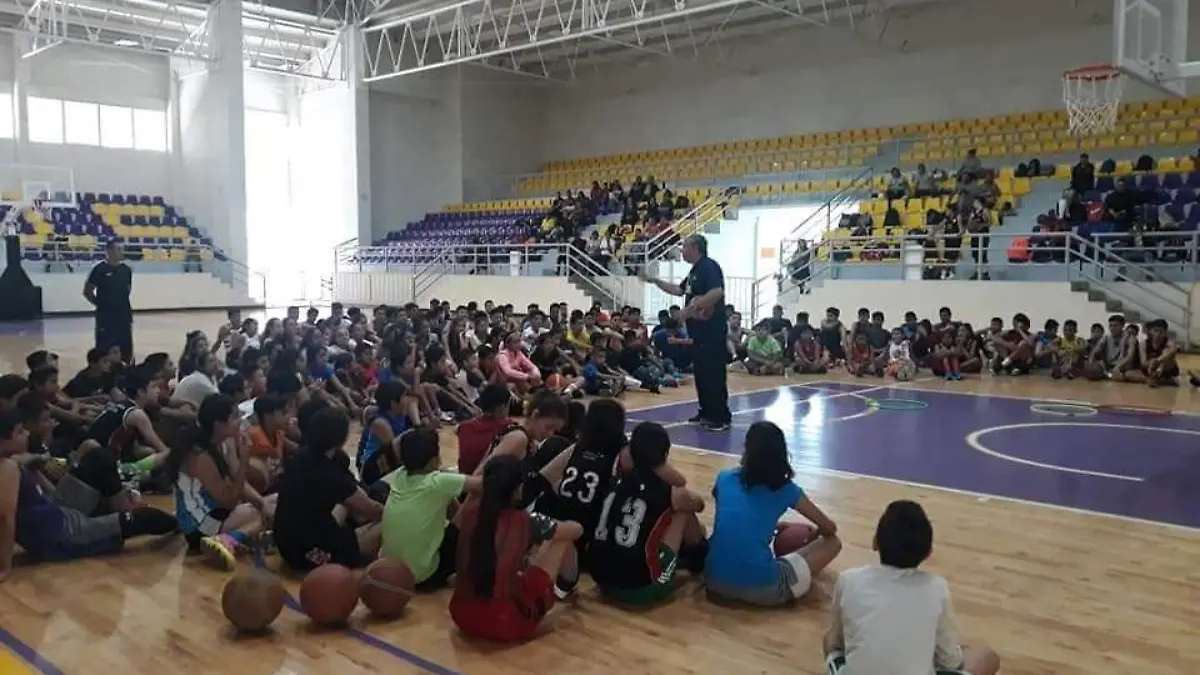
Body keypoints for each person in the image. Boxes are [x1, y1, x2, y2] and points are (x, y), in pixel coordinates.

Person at [823, 500, 1001, 675]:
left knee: (829, 640)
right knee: (987, 657)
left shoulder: (849, 579)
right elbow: (950, 661)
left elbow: (836, 642)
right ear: (928, 552)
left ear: (875, 542)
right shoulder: (936, 587)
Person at [0, 411, 177, 580]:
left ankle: (119, 504)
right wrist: (5, 566)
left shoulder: (10, 463)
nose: (26, 434)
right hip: (64, 536)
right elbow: (6, 519)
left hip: (59, 513)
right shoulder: (7, 468)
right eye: (19, 432)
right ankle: (179, 525)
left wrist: (30, 460)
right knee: (145, 519)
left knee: (96, 457)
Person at [705, 421, 842, 607]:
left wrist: (773, 525)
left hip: (713, 582)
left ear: (747, 449)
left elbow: (737, 516)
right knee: (833, 543)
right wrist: (811, 536)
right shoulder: (786, 489)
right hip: (763, 590)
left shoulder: (725, 478)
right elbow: (830, 528)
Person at [449, 453, 583, 642]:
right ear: (517, 490)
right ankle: (563, 589)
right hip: (504, 622)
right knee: (561, 539)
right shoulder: (525, 521)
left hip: (460, 615)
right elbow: (576, 530)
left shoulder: (469, 513)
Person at [590, 422, 708, 605]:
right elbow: (699, 505)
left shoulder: (615, 480)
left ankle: (689, 555)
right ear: (665, 455)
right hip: (639, 590)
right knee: (684, 510)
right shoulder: (671, 493)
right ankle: (699, 558)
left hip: (601, 580)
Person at [169, 394, 273, 570]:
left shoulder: (224, 442)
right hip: (200, 527)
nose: (240, 421)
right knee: (272, 511)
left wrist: (261, 502)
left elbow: (237, 482)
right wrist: (245, 461)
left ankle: (249, 535)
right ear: (218, 424)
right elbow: (229, 499)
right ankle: (231, 539)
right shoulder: (199, 455)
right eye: (234, 417)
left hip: (218, 513)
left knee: (275, 502)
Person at [274, 406, 383, 571]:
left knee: (348, 505)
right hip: (308, 553)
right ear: (342, 438)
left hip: (285, 541)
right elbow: (371, 509)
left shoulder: (300, 456)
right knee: (387, 523)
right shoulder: (330, 473)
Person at [641, 234, 730, 431]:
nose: (682, 250)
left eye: (685, 246)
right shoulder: (694, 271)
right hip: (698, 332)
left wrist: (688, 311)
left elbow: (717, 293)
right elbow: (679, 291)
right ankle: (706, 411)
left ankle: (720, 417)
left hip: (711, 331)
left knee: (713, 373)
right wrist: (656, 281)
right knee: (701, 373)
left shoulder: (709, 267)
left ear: (696, 248)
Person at [381, 429, 483, 590]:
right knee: (474, 499)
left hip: (393, 572)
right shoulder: (438, 482)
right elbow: (482, 485)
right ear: (434, 460)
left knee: (446, 497)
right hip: (426, 578)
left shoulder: (400, 475)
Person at [84, 240, 134, 364]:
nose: (121, 252)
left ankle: (125, 371)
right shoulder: (99, 269)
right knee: (104, 348)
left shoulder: (126, 270)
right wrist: (101, 304)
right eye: (118, 249)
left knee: (126, 347)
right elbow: (87, 291)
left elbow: (127, 289)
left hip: (123, 315)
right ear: (109, 251)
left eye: (122, 249)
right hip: (105, 317)